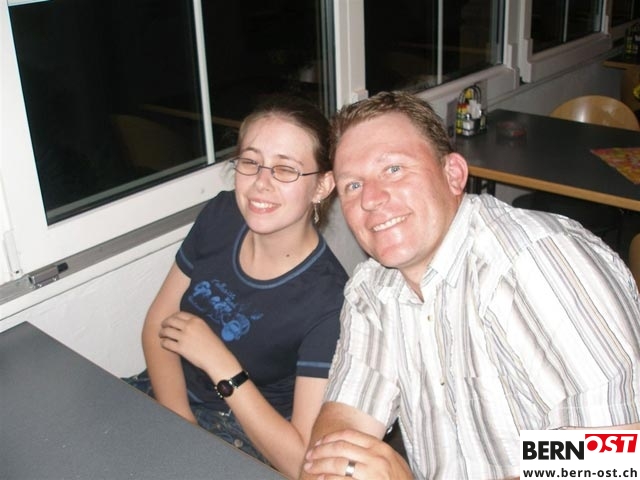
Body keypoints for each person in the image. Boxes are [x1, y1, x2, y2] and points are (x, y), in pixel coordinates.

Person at [301, 91, 640, 480]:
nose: (372, 199)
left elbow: (617, 455)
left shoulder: (539, 264)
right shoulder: (374, 288)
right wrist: (336, 467)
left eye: (394, 169)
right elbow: (342, 425)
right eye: (353, 185)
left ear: (453, 174)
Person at [125, 95, 348, 479]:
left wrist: (220, 363)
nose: (261, 183)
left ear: (322, 186)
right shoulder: (221, 214)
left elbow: (300, 463)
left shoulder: (330, 302)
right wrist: (180, 424)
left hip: (245, 432)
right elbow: (158, 323)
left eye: (285, 169)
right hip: (169, 393)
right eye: (250, 162)